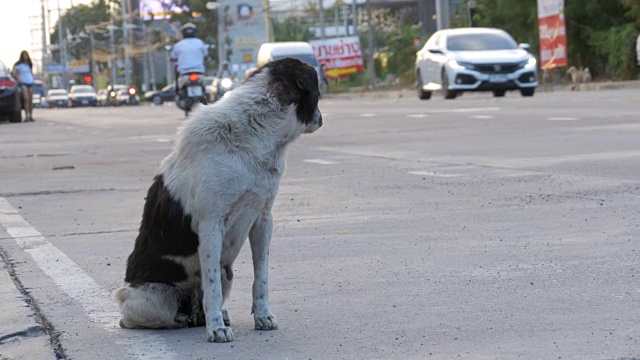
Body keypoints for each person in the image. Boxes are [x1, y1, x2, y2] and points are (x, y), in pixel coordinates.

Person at [170, 23, 208, 91]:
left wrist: (172, 59)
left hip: (184, 73)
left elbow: (173, 57)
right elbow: (206, 55)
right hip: (199, 72)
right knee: (205, 89)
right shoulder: (200, 43)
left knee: (178, 86)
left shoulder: (178, 45)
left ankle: (177, 93)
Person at [13, 51, 35, 122]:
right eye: (24, 55)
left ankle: (31, 116)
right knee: (26, 99)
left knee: (30, 100)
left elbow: (31, 72)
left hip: (30, 82)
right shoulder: (18, 65)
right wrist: (18, 78)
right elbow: (15, 73)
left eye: (26, 55)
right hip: (23, 83)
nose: (25, 57)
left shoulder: (29, 64)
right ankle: (26, 116)